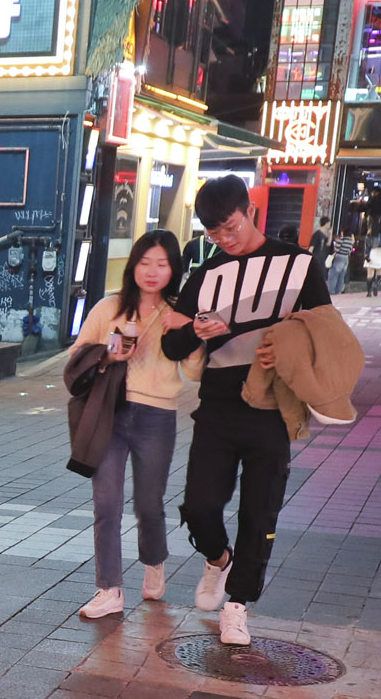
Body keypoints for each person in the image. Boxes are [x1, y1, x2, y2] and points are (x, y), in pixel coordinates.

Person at [162, 176, 330, 646]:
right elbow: (173, 344)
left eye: (230, 227)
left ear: (249, 211)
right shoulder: (206, 273)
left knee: (260, 514)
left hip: (273, 408)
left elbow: (324, 330)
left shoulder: (297, 266)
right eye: (214, 233)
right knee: (199, 506)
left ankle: (237, 607)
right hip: (216, 407)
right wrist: (197, 330)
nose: (224, 239)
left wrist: (262, 336)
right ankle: (218, 559)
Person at [70, 230, 201, 619]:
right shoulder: (109, 307)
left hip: (157, 416)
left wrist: (188, 332)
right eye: (145, 262)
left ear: (173, 269)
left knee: (149, 504)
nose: (152, 271)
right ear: (133, 265)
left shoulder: (177, 311)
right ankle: (109, 589)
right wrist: (108, 355)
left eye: (162, 264)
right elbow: (77, 357)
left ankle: (154, 561)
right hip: (109, 412)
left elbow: (194, 371)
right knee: (106, 503)